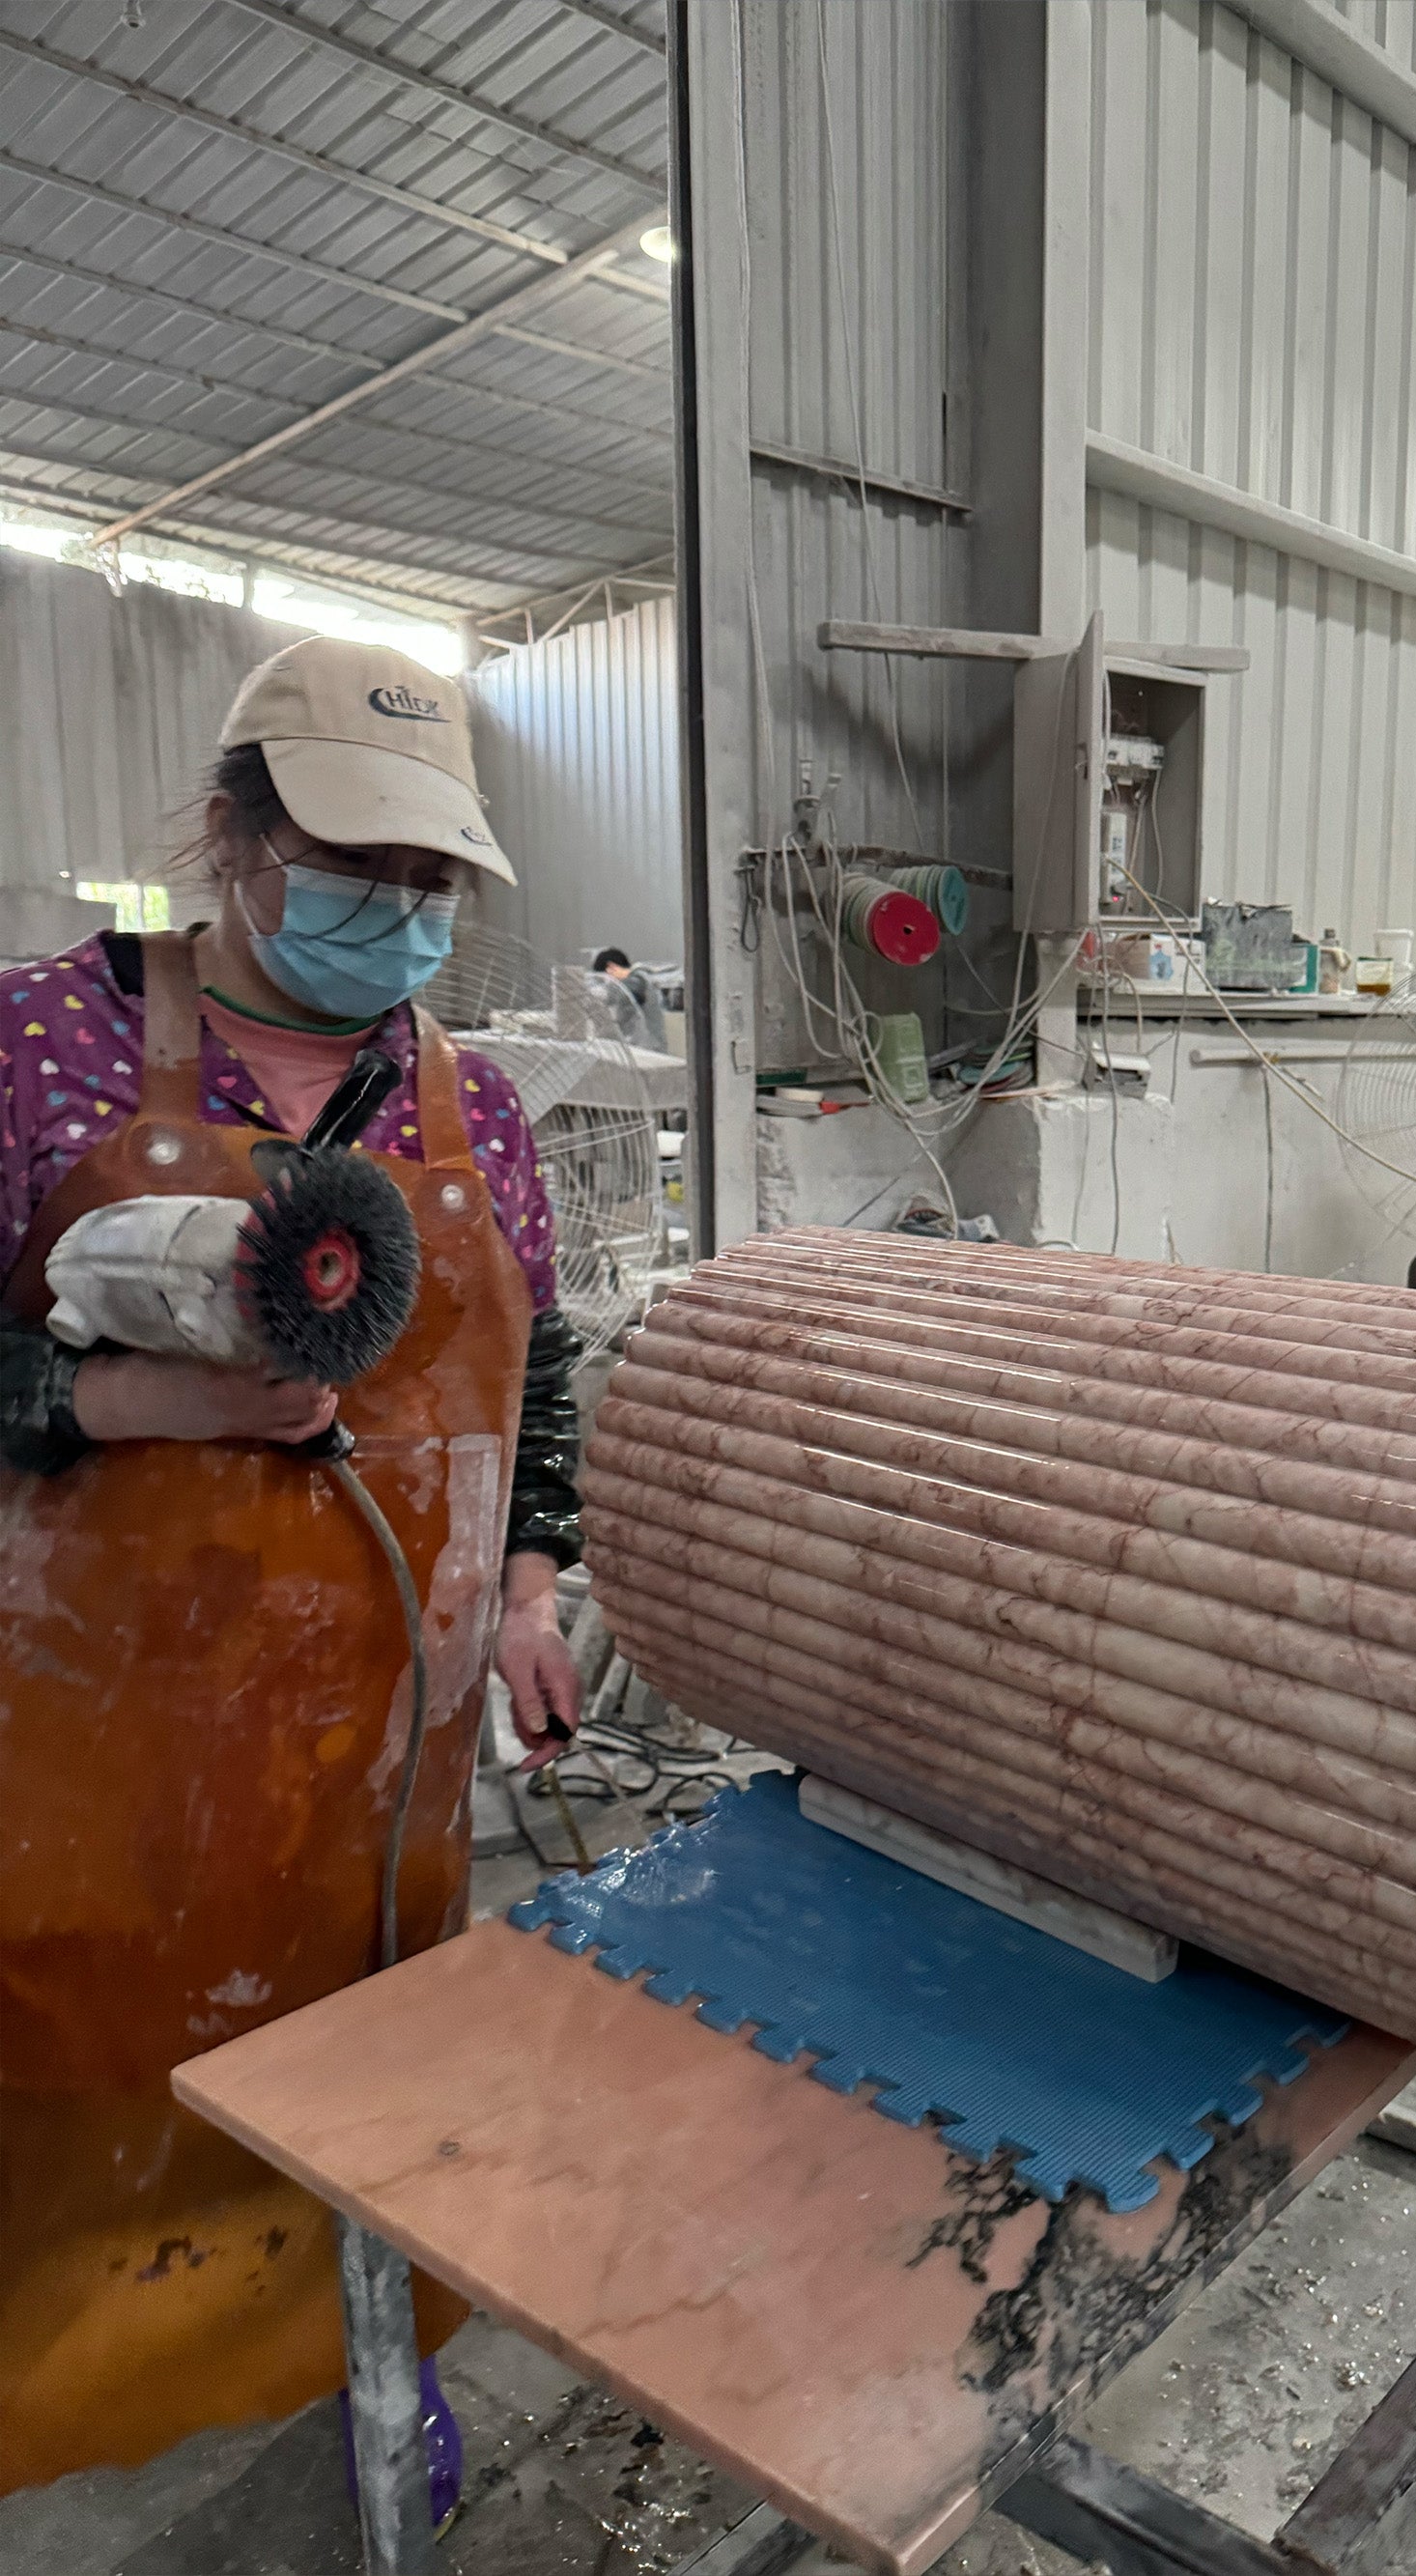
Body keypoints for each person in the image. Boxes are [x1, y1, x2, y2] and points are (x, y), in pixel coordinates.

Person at [0, 637, 584, 2498]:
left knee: (370, 2059)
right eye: (356, 868)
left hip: (370, 1742)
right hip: (89, 1728)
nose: (399, 916)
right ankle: (63, 2398)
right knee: (80, 2059)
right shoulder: (38, 1043)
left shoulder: (465, 1105)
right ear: (234, 829)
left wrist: (532, 1578)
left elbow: (536, 1359)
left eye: (431, 885)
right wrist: (114, 1397)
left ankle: (356, 2355)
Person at [592, 943, 670, 1051]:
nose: (608, 982)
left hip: (649, 1049)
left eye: (606, 978)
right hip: (642, 1047)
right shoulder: (635, 982)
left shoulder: (637, 980)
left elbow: (614, 994)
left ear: (611, 968)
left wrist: (589, 992)